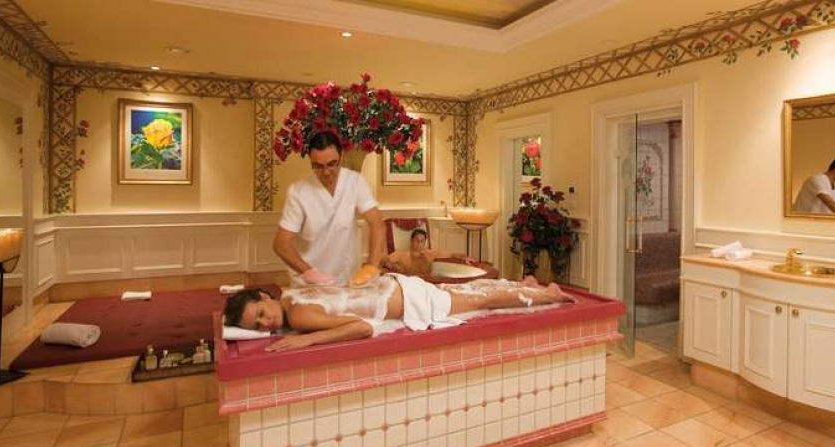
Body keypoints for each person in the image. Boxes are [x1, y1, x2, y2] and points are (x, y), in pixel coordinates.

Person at [223, 275, 574, 351]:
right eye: (258, 325)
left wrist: (305, 341)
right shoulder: (290, 293)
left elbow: (361, 328)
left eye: (260, 312)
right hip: (392, 288)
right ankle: (526, 285)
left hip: (407, 299)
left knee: (482, 302)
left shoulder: (299, 315)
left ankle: (546, 294)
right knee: (468, 291)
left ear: (264, 297)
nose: (266, 323)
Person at [274, 131, 386, 287]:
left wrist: (371, 267)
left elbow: (377, 224)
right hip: (309, 284)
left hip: (348, 279)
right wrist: (308, 272)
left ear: (341, 157)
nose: (326, 172)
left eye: (332, 164)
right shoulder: (298, 192)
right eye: (318, 166)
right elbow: (281, 244)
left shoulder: (355, 182)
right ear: (310, 160)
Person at [382, 228, 476, 276]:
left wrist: (465, 257)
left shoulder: (430, 254)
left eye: (422, 241)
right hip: (409, 285)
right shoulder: (400, 255)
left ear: (425, 242)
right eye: (417, 240)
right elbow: (383, 260)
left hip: (428, 284)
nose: (419, 243)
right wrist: (392, 266)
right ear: (411, 240)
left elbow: (452, 254)